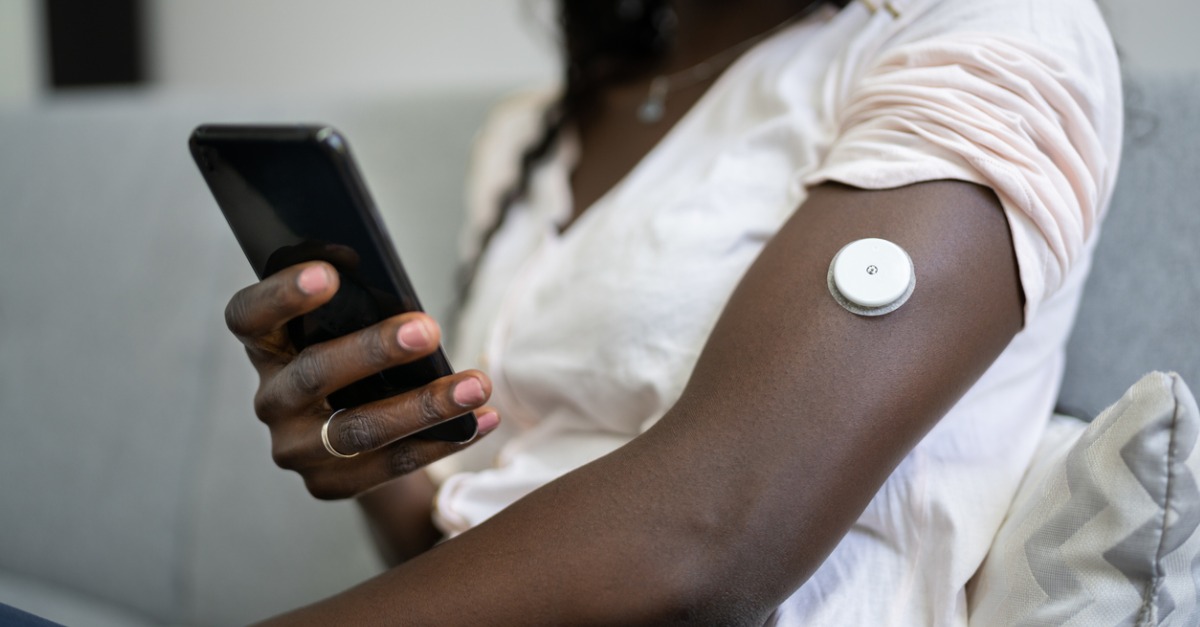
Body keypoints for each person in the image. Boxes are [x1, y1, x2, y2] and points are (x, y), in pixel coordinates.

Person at [224, 0, 1122, 623]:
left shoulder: (983, 38)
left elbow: (714, 540)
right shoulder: (531, 133)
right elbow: (467, 556)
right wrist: (379, 458)